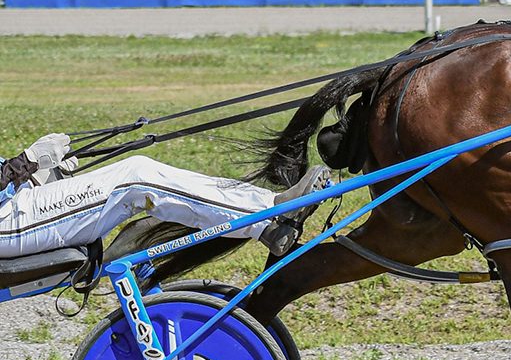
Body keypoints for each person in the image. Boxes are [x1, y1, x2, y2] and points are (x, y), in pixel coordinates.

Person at [0, 133, 330, 260]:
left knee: (136, 173)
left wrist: (42, 174)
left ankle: (265, 214)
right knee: (135, 179)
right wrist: (24, 162)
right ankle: (267, 220)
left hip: (17, 204)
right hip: (9, 222)